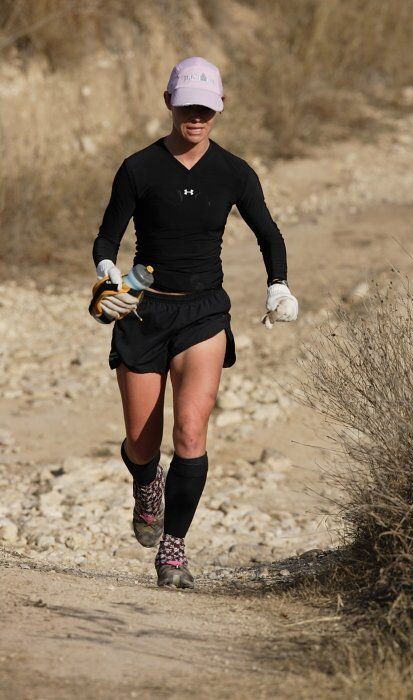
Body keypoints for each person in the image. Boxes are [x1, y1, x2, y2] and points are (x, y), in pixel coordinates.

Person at [91, 56, 299, 589]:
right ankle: (145, 484)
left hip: (203, 312)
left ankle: (174, 549)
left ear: (219, 108)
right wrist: (109, 275)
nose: (196, 116)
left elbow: (269, 234)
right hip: (141, 308)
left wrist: (278, 284)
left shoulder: (234, 172)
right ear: (170, 103)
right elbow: (107, 238)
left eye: (206, 108)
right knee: (143, 442)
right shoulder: (138, 168)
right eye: (188, 106)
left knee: (190, 431)